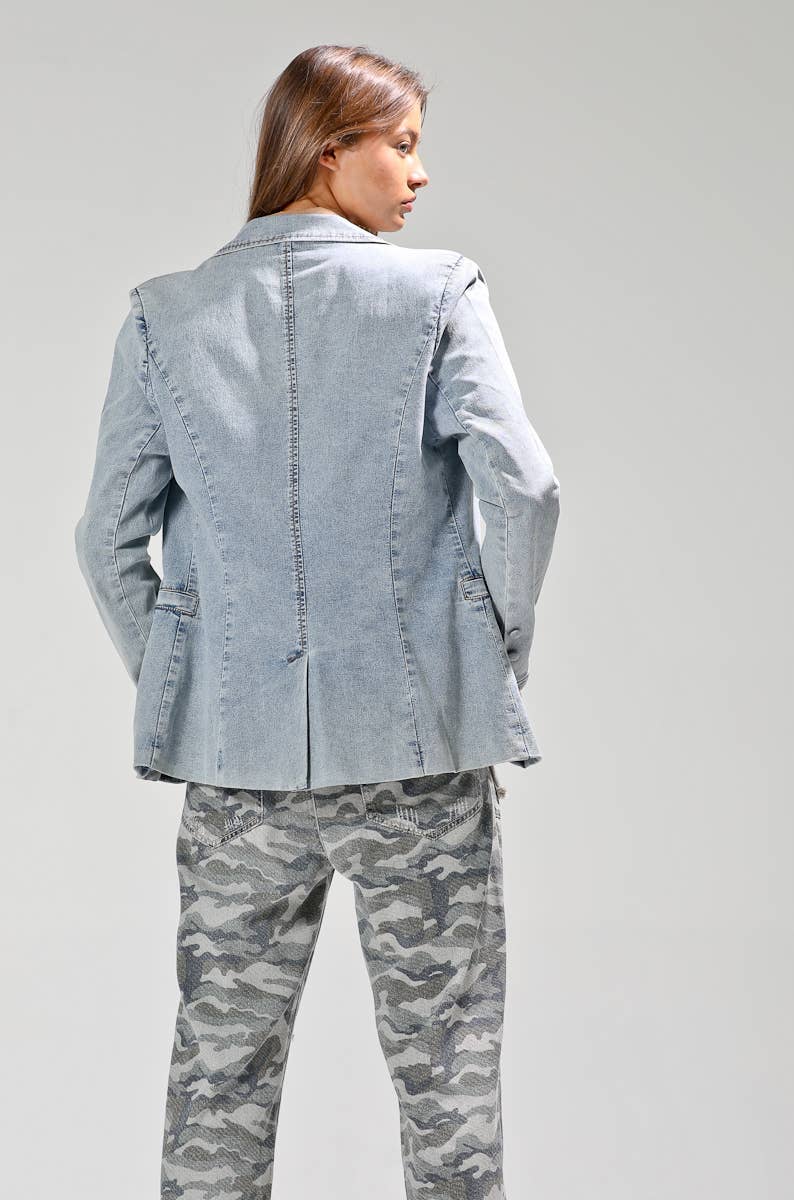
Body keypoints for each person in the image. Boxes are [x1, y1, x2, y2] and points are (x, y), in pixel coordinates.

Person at [74, 43, 560, 1200]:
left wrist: (197, 686)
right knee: (446, 1083)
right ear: (328, 147)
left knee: (218, 1083)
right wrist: (484, 658)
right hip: (416, 757)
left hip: (235, 769)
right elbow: (525, 488)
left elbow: (104, 541)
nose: (419, 173)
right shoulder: (437, 294)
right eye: (402, 144)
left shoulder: (166, 315)